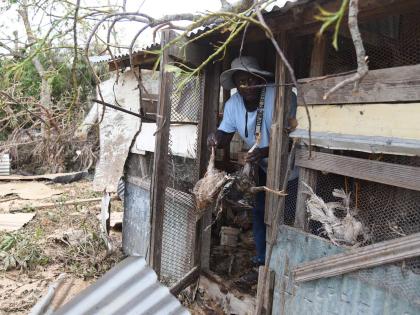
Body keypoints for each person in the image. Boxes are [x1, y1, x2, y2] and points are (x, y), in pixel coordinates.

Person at [207, 56, 276, 268]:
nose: (249, 85)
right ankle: (262, 260)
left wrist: (266, 151)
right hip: (262, 168)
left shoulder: (277, 95)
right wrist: (216, 138)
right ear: (236, 84)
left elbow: (294, 138)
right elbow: (225, 134)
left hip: (289, 166)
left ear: (260, 79)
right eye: (242, 81)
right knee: (259, 210)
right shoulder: (233, 104)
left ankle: (280, 262)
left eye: (253, 79)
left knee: (284, 213)